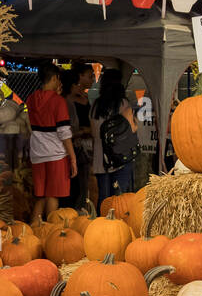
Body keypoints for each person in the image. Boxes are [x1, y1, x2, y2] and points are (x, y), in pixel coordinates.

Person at [24, 63, 77, 224]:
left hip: (37, 153)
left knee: (40, 195)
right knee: (53, 195)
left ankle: (34, 230)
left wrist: (56, 96)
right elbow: (64, 133)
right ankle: (50, 233)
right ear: (55, 78)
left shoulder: (31, 99)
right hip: (56, 154)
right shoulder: (59, 102)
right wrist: (73, 158)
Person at [91, 68, 138, 204]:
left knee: (104, 199)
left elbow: (94, 132)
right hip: (120, 157)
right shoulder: (123, 104)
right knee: (119, 199)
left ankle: (101, 223)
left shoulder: (96, 105)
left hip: (100, 157)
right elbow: (132, 129)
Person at [60, 64, 94, 211]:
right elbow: (66, 130)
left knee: (81, 184)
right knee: (73, 183)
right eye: (90, 75)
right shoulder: (66, 102)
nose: (93, 79)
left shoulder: (84, 98)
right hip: (71, 146)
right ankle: (70, 211)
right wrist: (82, 131)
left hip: (82, 147)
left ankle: (77, 211)